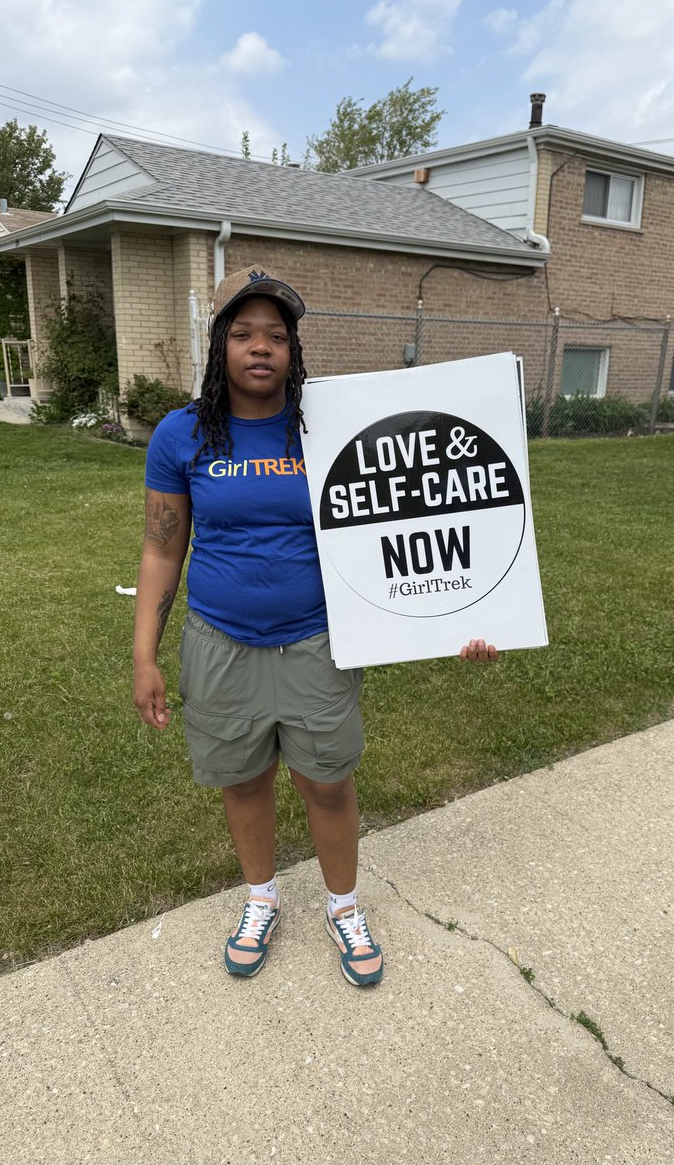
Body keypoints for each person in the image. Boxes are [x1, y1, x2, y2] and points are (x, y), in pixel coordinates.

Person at [132, 263, 498, 987]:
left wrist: (470, 613)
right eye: (243, 333)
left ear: (295, 350)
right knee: (243, 780)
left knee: (326, 782)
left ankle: (344, 906)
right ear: (219, 346)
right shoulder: (181, 435)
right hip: (219, 639)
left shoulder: (332, 426)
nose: (260, 347)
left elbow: (415, 513)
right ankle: (262, 899)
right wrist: (144, 653)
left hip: (318, 639)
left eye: (277, 335)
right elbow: (160, 547)